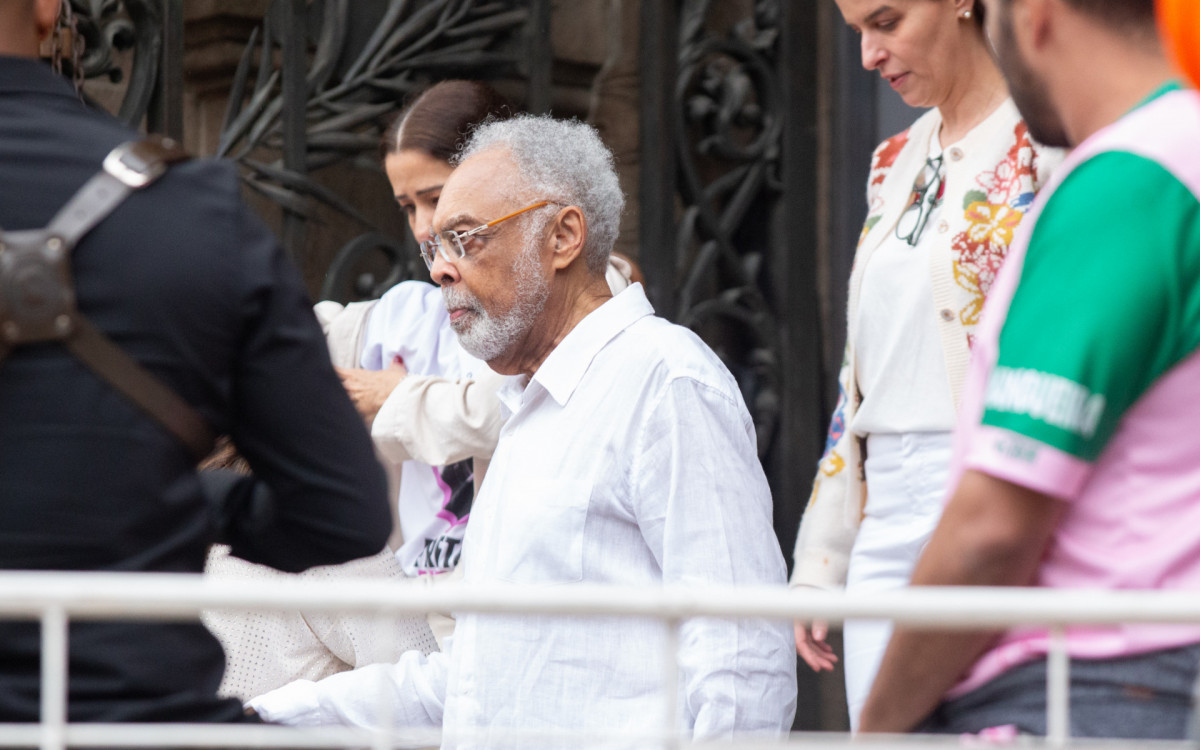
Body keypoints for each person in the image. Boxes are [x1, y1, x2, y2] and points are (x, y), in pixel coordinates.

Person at [248, 115, 798, 743]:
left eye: (466, 239)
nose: (440, 270)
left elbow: (742, 660)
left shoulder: (665, 381)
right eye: (435, 247)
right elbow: (478, 682)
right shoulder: (528, 410)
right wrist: (264, 714)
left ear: (563, 236)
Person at [0, 0, 392, 723]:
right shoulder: (191, 207)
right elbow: (343, 517)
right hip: (132, 725)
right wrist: (173, 496)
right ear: (50, 10)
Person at [857, 0, 1200, 738]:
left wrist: (878, 727)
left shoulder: (1131, 180)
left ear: (1037, 14)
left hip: (1091, 679)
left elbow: (994, 525)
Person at [788, 0, 1061, 727]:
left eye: (887, 21)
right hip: (887, 508)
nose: (869, 56)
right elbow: (861, 373)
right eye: (856, 34)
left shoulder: (1051, 144)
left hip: (989, 490)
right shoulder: (891, 162)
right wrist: (823, 553)